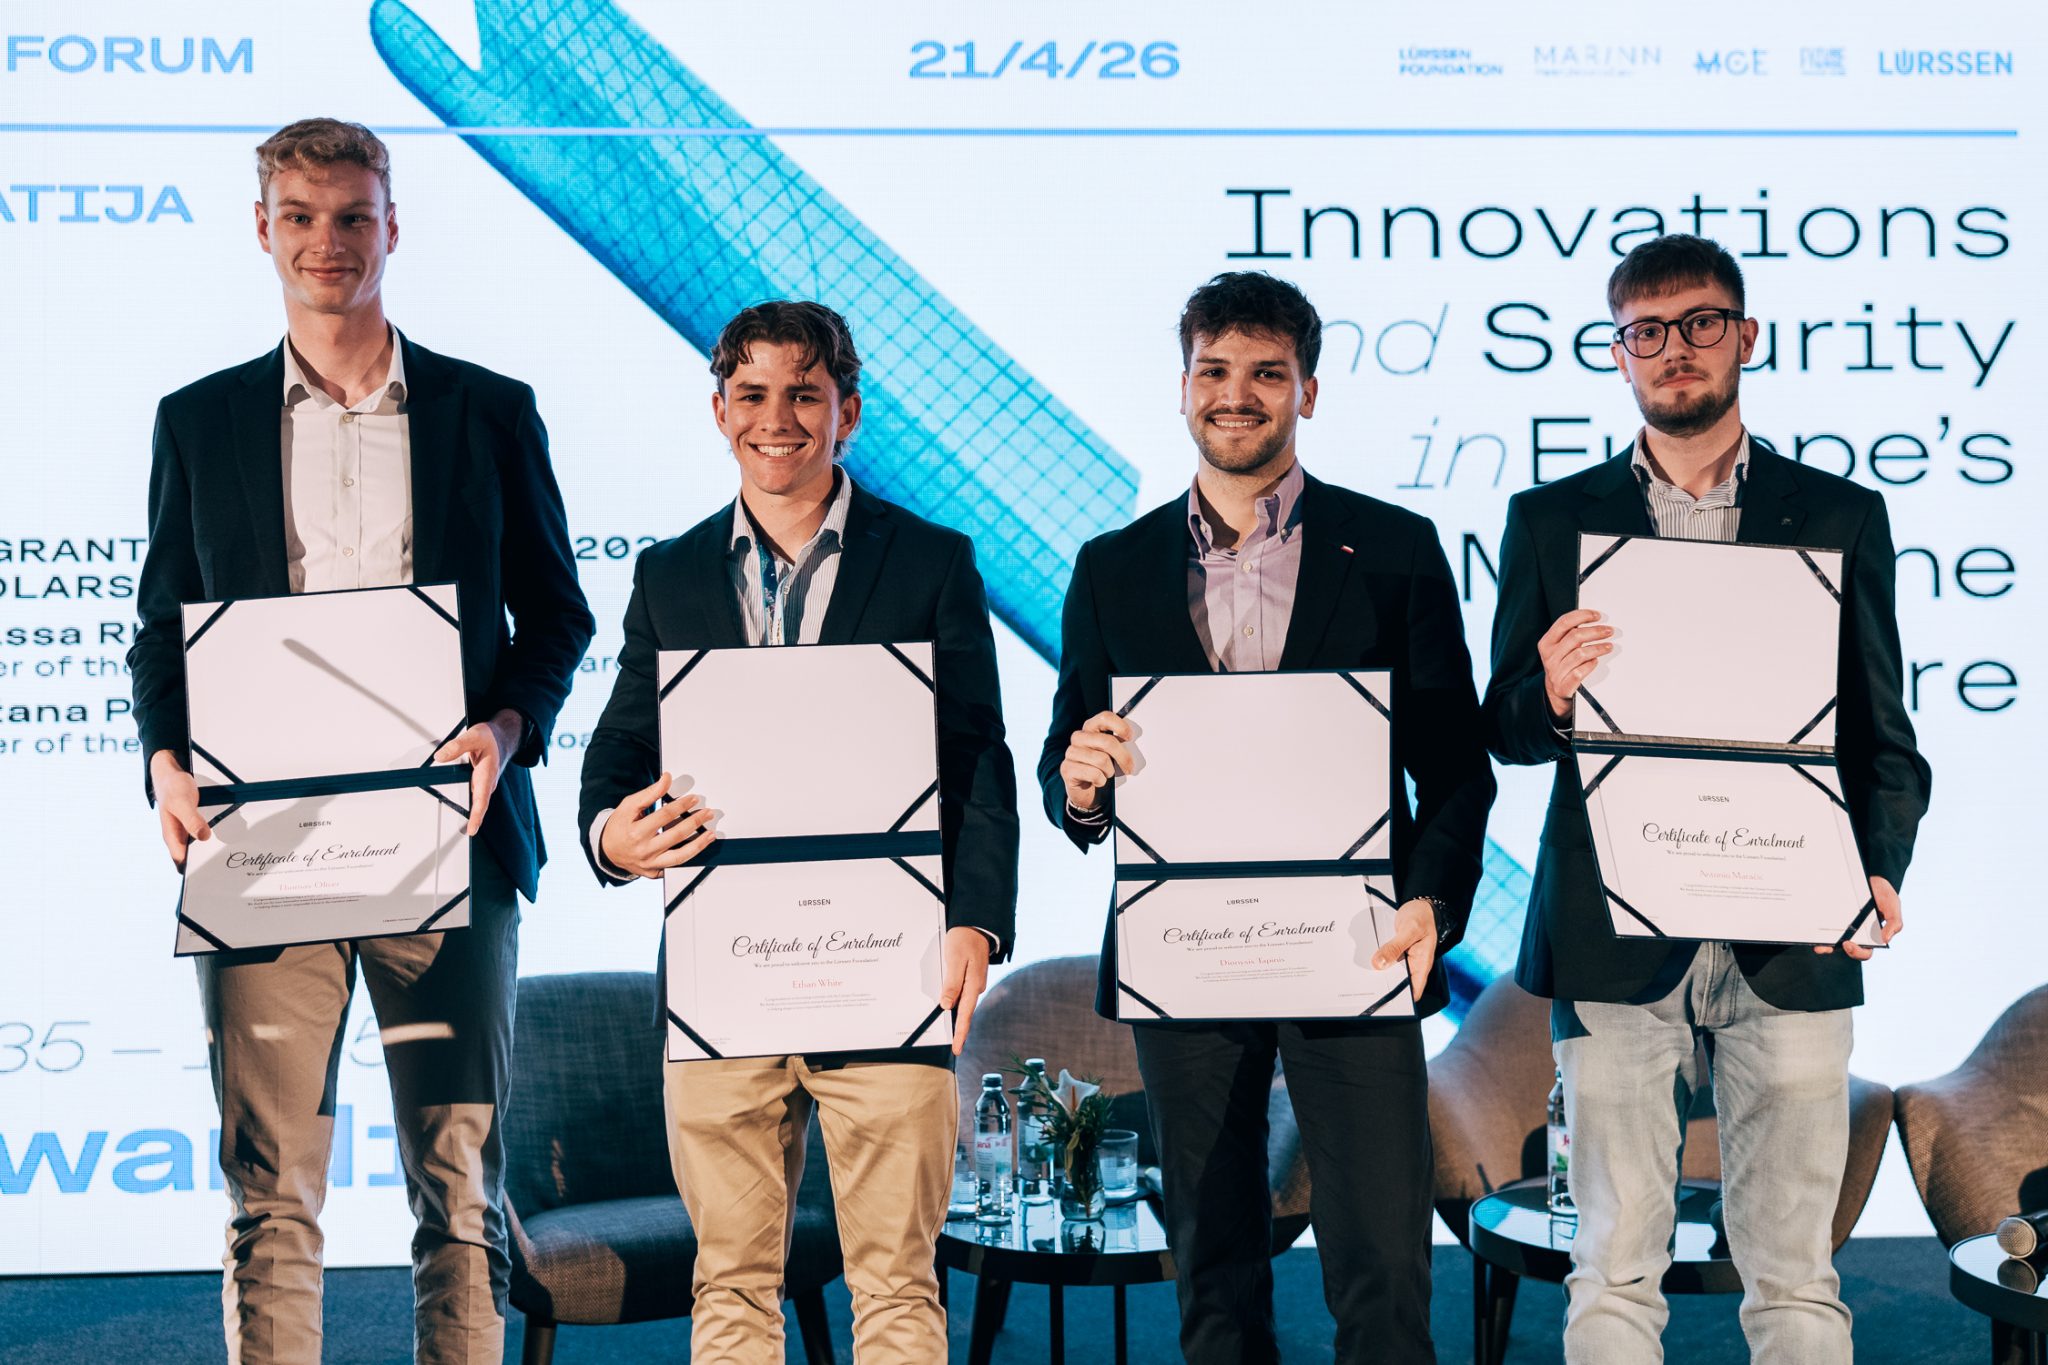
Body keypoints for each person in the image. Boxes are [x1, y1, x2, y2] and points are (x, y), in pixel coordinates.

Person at [128, 118, 594, 1363]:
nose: (325, 241)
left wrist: (507, 728)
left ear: (393, 226)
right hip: (262, 845)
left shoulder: (488, 411)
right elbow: (163, 630)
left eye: (350, 216)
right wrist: (166, 762)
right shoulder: (199, 421)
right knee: (270, 1195)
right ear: (262, 229)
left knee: (460, 1190)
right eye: (299, 216)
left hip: (448, 842)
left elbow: (556, 615)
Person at [1480, 233, 1932, 1363]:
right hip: (1612, 938)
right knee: (1610, 1271)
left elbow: (1883, 738)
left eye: (1698, 324)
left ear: (1744, 336)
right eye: (1645, 331)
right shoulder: (1550, 518)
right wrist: (1549, 692)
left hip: (1793, 930)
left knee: (1795, 1280)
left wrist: (1877, 868)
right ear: (1618, 353)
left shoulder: (1838, 514)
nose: (1672, 348)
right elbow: (1501, 729)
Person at [1038, 271, 1495, 1364]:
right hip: (1183, 950)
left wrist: (1431, 905)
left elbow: (1455, 770)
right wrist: (1082, 784)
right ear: (1182, 386)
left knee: (1383, 1262)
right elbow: (1068, 771)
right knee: (1212, 1259)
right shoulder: (1111, 568)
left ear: (1308, 392)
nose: (1234, 394)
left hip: (1357, 943)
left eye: (1265, 373)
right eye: (1213, 370)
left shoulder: (1394, 549)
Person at [575, 300, 1019, 1363]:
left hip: (890, 970)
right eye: (753, 394)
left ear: (847, 412)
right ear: (719, 409)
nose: (776, 419)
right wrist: (610, 838)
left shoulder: (930, 561)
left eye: (804, 395)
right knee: (730, 1284)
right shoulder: (670, 573)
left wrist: (976, 924)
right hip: (724, 979)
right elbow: (619, 752)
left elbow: (978, 759)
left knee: (897, 1284)